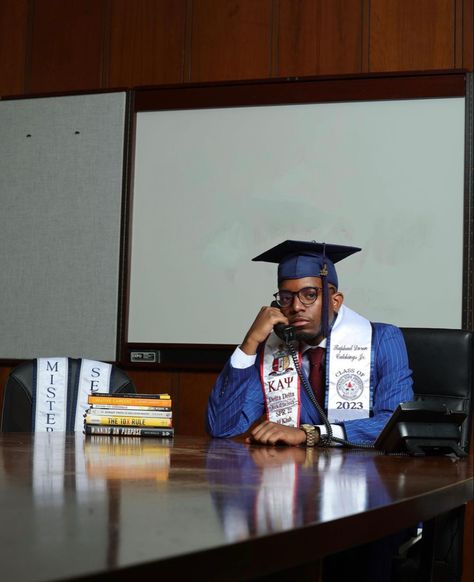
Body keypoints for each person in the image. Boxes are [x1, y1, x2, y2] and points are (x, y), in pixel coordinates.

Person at [206, 239, 414, 447]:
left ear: (335, 301)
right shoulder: (272, 351)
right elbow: (221, 428)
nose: (296, 306)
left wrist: (311, 434)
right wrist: (250, 342)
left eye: (310, 295)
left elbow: (395, 423)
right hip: (293, 473)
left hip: (360, 472)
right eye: (286, 298)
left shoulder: (382, 340)